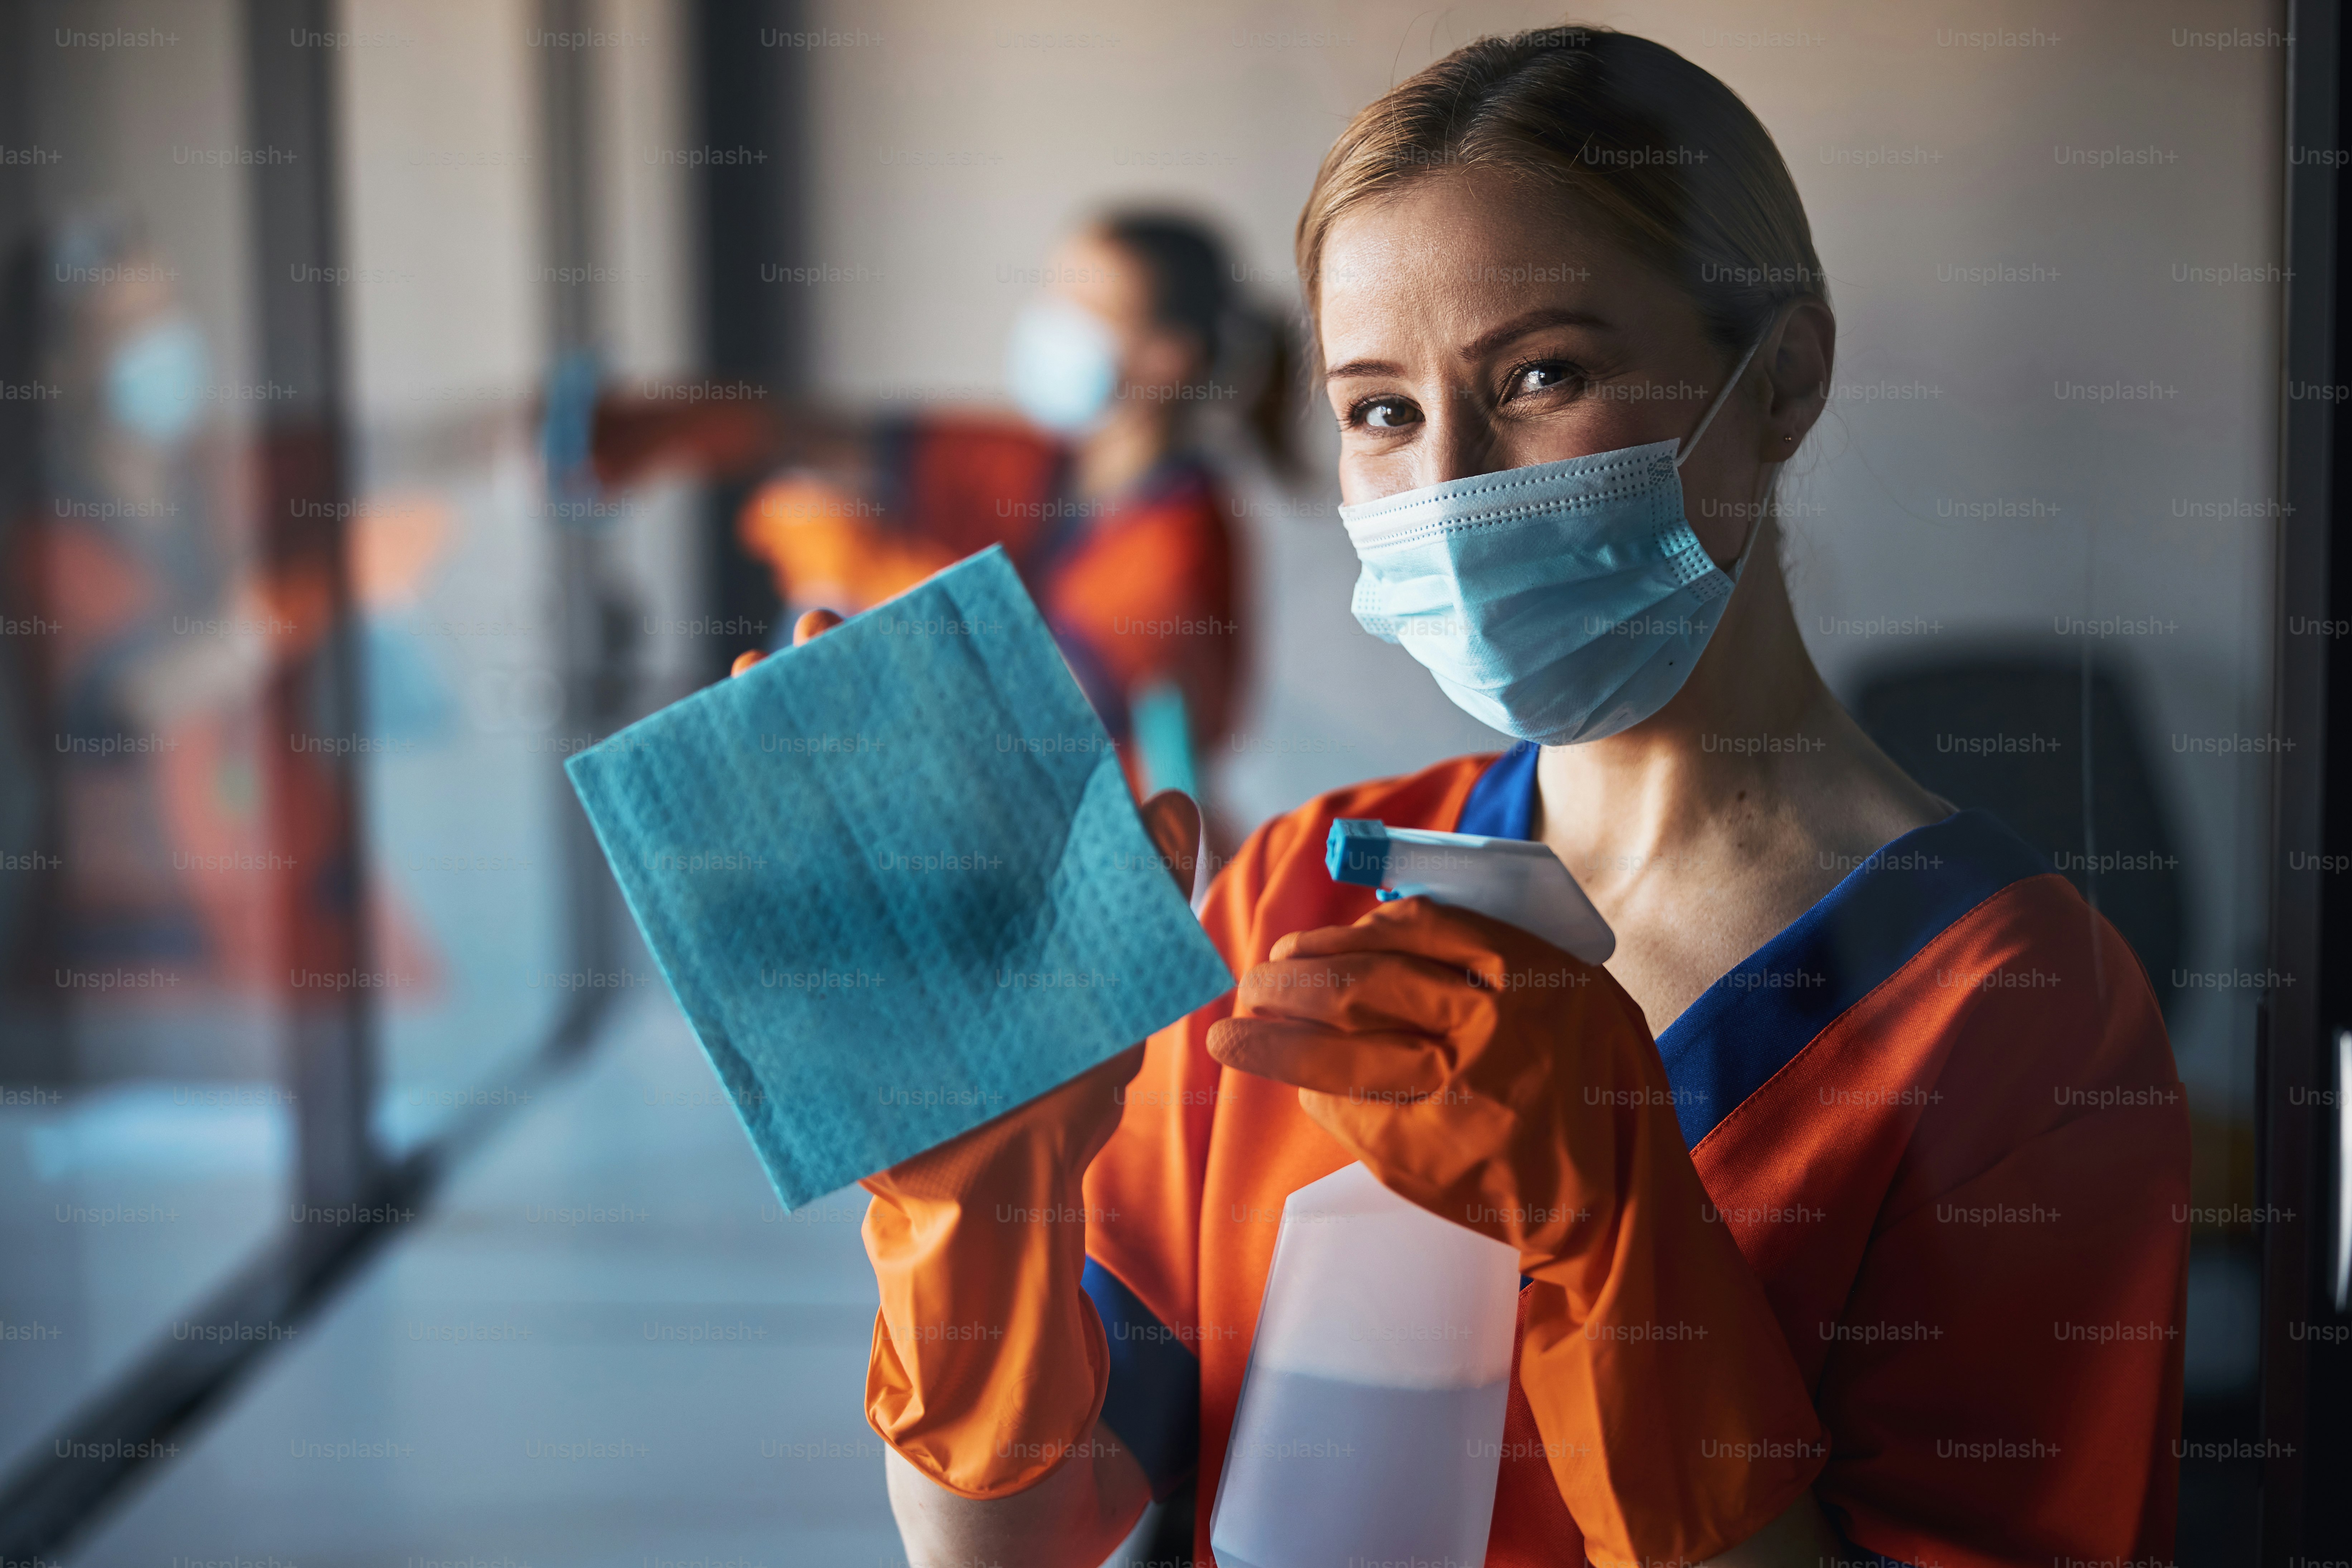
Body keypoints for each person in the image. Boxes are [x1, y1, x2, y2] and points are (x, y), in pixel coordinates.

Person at [771, 26, 2189, 1568]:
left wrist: (1618, 1252)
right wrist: (976, 1190)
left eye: (1539, 375)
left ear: (1781, 379)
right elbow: (1013, 1540)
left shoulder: (2010, 1013)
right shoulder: (1295, 896)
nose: (1448, 481)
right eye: (1379, 410)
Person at [597, 211, 1291, 825]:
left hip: (1115, 872)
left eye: (1086, 303)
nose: (1054, 320)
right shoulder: (1044, 467)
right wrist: (658, 429)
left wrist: (878, 572)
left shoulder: (1180, 533)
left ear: (1167, 358)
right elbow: (813, 434)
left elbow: (1046, 701)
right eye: (1054, 291)